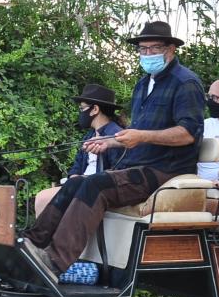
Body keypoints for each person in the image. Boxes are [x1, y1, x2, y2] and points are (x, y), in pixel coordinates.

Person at [22, 21, 205, 275]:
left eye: (155, 48)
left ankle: (54, 262)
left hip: (165, 169)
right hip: (138, 165)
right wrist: (110, 142)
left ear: (171, 49)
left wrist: (140, 136)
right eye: (143, 49)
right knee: (76, 183)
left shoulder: (185, 83)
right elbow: (137, 133)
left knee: (96, 185)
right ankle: (31, 244)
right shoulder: (142, 85)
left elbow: (188, 134)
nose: (148, 54)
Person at [34, 83, 125, 217]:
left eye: (82, 108)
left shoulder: (116, 135)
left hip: (96, 189)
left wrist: (81, 182)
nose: (81, 113)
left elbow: (118, 171)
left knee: (43, 198)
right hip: (80, 186)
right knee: (44, 197)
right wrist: (74, 178)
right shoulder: (89, 136)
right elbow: (77, 165)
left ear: (95, 109)